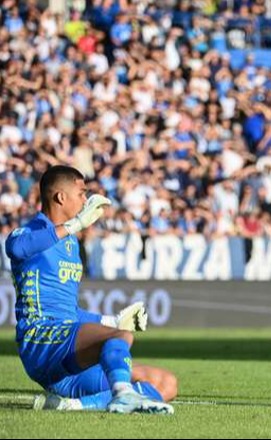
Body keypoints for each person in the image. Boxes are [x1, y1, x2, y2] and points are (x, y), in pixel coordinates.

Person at [6, 165, 176, 414]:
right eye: (81, 193)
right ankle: (123, 396)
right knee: (120, 337)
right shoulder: (30, 232)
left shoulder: (71, 244)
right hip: (41, 341)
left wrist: (113, 319)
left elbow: (69, 311)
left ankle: (73, 405)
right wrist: (74, 225)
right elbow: (16, 249)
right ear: (61, 197)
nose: (85, 201)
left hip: (66, 359)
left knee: (165, 383)